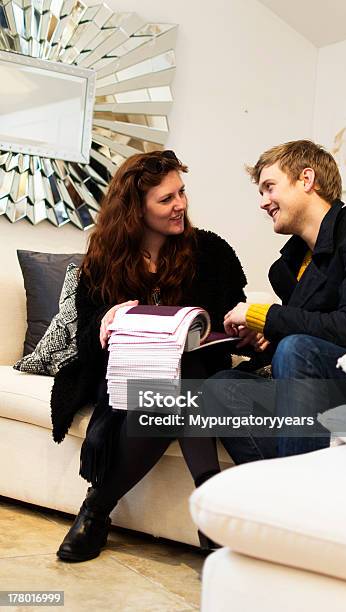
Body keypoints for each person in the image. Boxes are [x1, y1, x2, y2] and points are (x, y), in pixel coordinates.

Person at [51, 149, 247, 562]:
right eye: (166, 199)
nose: (180, 205)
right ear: (134, 210)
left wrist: (239, 329)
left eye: (181, 193)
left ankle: (96, 509)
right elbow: (83, 344)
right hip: (125, 378)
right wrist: (106, 320)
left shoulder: (209, 252)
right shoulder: (103, 263)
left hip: (194, 374)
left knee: (180, 371)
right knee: (167, 387)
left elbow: (232, 315)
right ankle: (208, 514)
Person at [203, 139, 346, 463]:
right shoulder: (286, 267)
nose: (263, 202)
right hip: (316, 384)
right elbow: (306, 330)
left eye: (269, 187)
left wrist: (266, 316)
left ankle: (297, 492)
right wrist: (264, 338)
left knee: (297, 348)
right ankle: (283, 481)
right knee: (221, 386)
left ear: (307, 180)